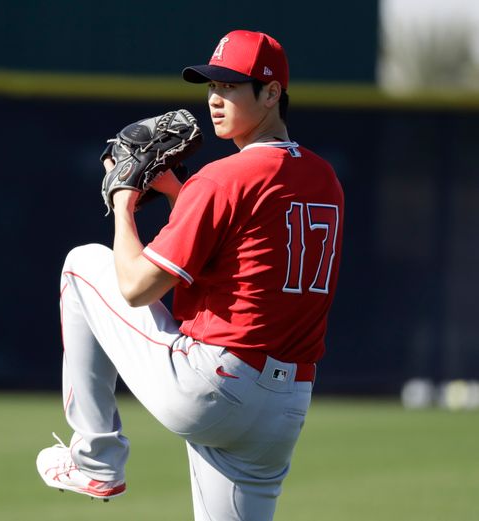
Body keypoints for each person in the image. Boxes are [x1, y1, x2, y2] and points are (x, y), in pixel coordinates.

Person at [36, 29, 344, 521]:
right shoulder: (323, 177)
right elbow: (243, 252)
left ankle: (96, 459)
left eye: (231, 87)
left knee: (81, 264)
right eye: (212, 86)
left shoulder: (223, 178)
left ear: (272, 94)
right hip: (286, 406)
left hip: (214, 386)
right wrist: (178, 190)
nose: (216, 100)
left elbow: (137, 287)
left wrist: (123, 200)